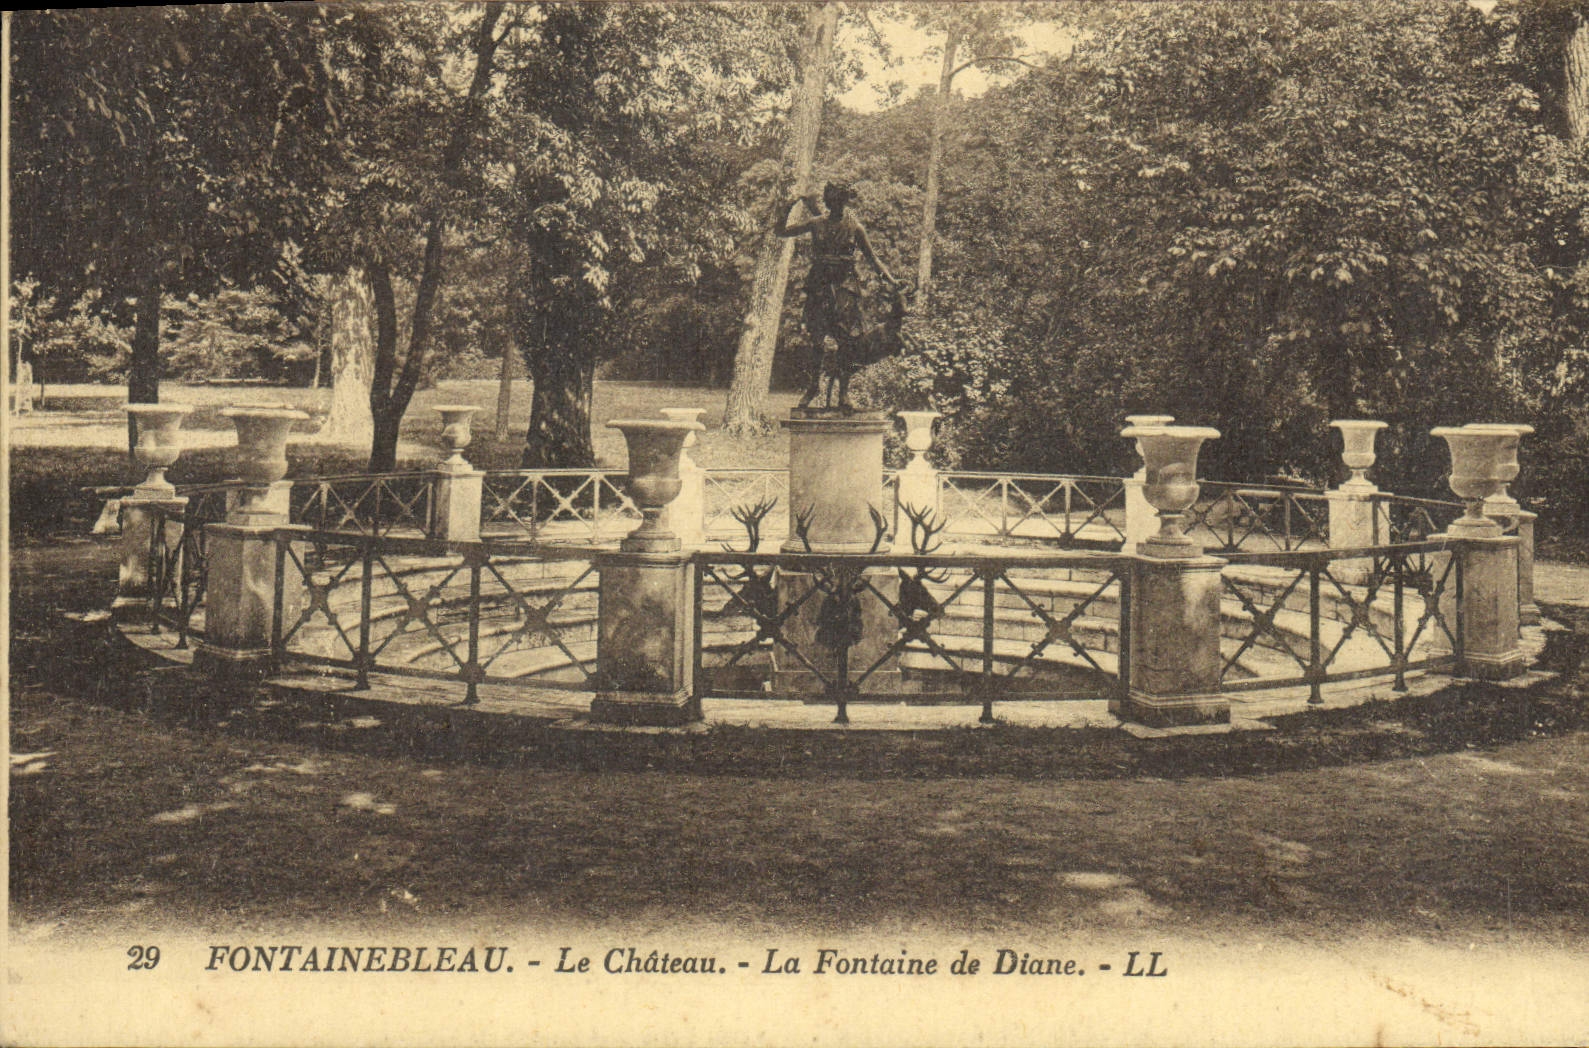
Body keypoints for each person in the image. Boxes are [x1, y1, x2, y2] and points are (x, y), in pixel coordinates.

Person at [776, 182, 902, 410]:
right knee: (816, 339)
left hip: (845, 288)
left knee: (848, 341)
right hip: (819, 286)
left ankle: (844, 393)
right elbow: (781, 231)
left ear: (843, 202)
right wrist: (787, 207)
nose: (833, 205)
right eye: (829, 201)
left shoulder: (855, 228)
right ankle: (813, 386)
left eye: (837, 201)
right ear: (827, 202)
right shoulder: (816, 223)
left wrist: (892, 281)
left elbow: (873, 259)